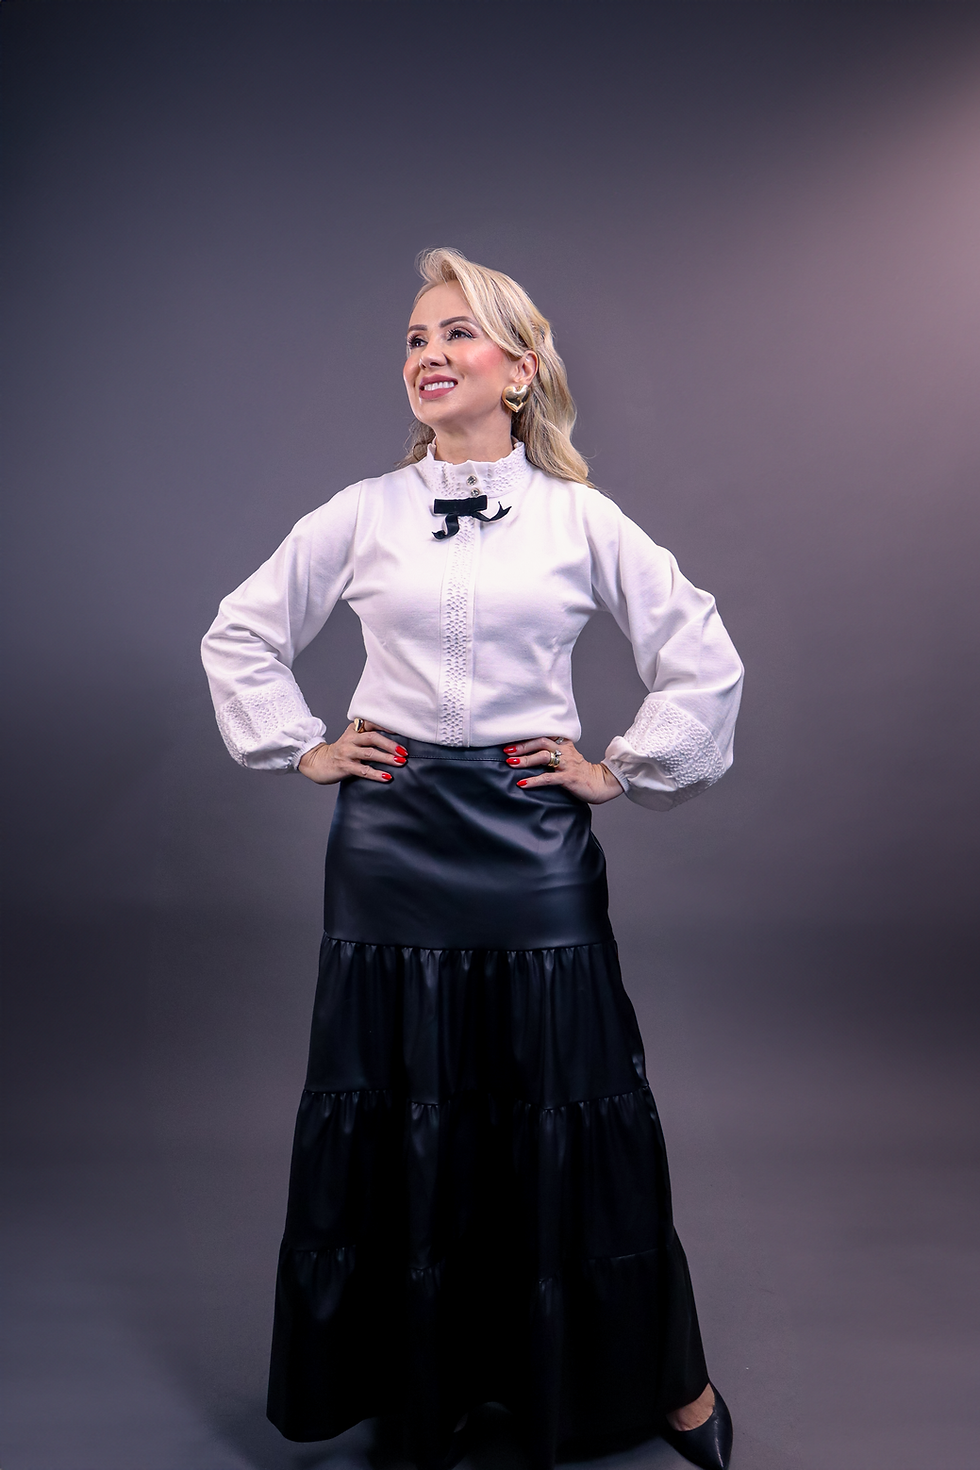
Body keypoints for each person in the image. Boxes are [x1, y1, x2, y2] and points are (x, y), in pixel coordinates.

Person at [201, 248, 743, 1470]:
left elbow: (699, 653)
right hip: (389, 839)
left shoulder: (577, 517)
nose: (428, 354)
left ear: (521, 367)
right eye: (413, 337)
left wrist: (618, 767)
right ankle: (428, 1384)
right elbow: (240, 633)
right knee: (407, 1110)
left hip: (528, 833)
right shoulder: (359, 512)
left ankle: (667, 1382)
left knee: (567, 1104)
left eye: (455, 333)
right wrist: (301, 745)